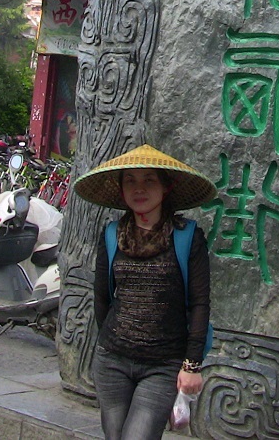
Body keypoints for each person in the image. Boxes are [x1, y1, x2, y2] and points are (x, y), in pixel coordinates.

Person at [74, 144, 217, 440]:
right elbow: (102, 297)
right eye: (131, 181)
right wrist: (108, 341)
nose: (140, 189)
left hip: (163, 366)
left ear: (166, 187)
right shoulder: (112, 234)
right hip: (112, 361)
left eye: (149, 180)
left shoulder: (188, 237)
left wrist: (191, 365)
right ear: (122, 189)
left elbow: (200, 304)